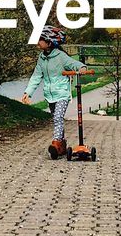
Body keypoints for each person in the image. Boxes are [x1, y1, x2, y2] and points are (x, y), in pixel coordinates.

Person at [21, 25, 86, 156]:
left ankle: (56, 142)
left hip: (62, 93)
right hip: (49, 95)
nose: (38, 42)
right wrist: (28, 92)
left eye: (40, 39)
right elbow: (36, 76)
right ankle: (61, 146)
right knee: (57, 120)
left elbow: (74, 64)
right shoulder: (42, 58)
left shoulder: (60, 56)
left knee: (58, 118)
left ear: (50, 42)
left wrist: (82, 67)